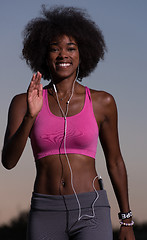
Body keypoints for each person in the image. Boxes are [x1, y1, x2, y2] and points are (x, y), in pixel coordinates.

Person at [1, 5, 135, 240]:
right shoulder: (23, 102)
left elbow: (115, 161)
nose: (63, 55)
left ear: (82, 53)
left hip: (91, 209)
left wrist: (126, 219)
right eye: (55, 49)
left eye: (71, 48)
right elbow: (8, 161)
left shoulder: (103, 102)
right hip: (45, 210)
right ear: (44, 55)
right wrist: (30, 116)